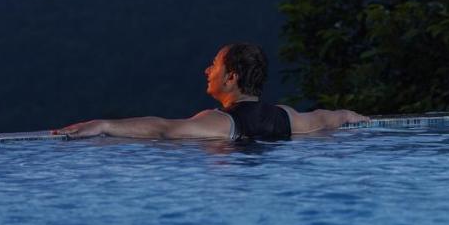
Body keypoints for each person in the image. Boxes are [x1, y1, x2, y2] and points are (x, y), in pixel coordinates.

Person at [52, 42, 368, 142]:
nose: (207, 70)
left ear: (230, 78)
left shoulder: (220, 123)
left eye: (213, 65)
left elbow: (164, 130)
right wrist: (357, 117)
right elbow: (332, 118)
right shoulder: (289, 117)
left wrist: (105, 126)